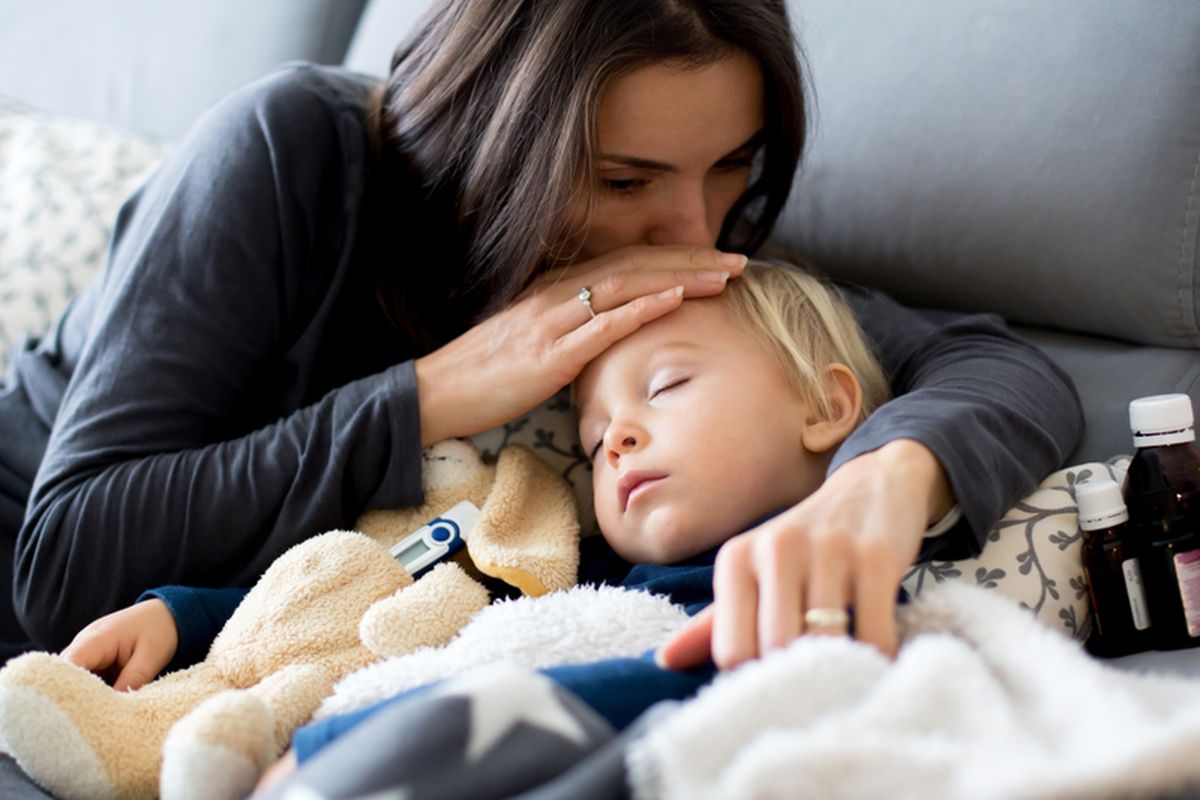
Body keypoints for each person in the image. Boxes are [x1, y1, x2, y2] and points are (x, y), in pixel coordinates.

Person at [0, 0, 1079, 674]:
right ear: (504, 137)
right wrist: (430, 393)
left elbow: (995, 361)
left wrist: (882, 483)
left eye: (733, 166)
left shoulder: (684, 227)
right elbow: (61, 556)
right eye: (624, 179)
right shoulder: (287, 154)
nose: (695, 233)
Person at [62, 259, 893, 793]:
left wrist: (343, 751)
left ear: (826, 405)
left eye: (667, 386)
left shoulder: (813, 574)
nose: (618, 440)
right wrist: (187, 615)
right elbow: (368, 590)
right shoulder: (569, 560)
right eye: (594, 439)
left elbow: (650, 688)